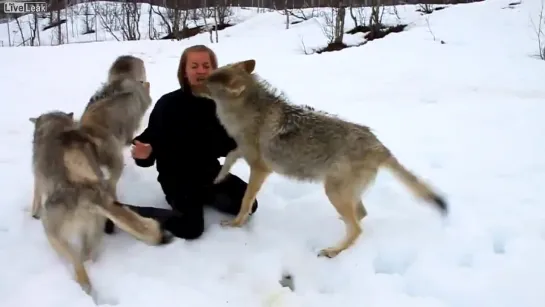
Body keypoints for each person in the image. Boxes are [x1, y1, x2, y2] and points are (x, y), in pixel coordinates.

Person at [105, 45, 258, 240]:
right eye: (194, 66)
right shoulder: (168, 104)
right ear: (185, 72)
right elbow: (147, 141)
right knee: (191, 228)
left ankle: (204, 197)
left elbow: (227, 145)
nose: (201, 70)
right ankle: (120, 212)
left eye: (206, 65)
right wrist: (145, 153)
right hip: (177, 178)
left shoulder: (222, 104)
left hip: (209, 172)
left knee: (249, 205)